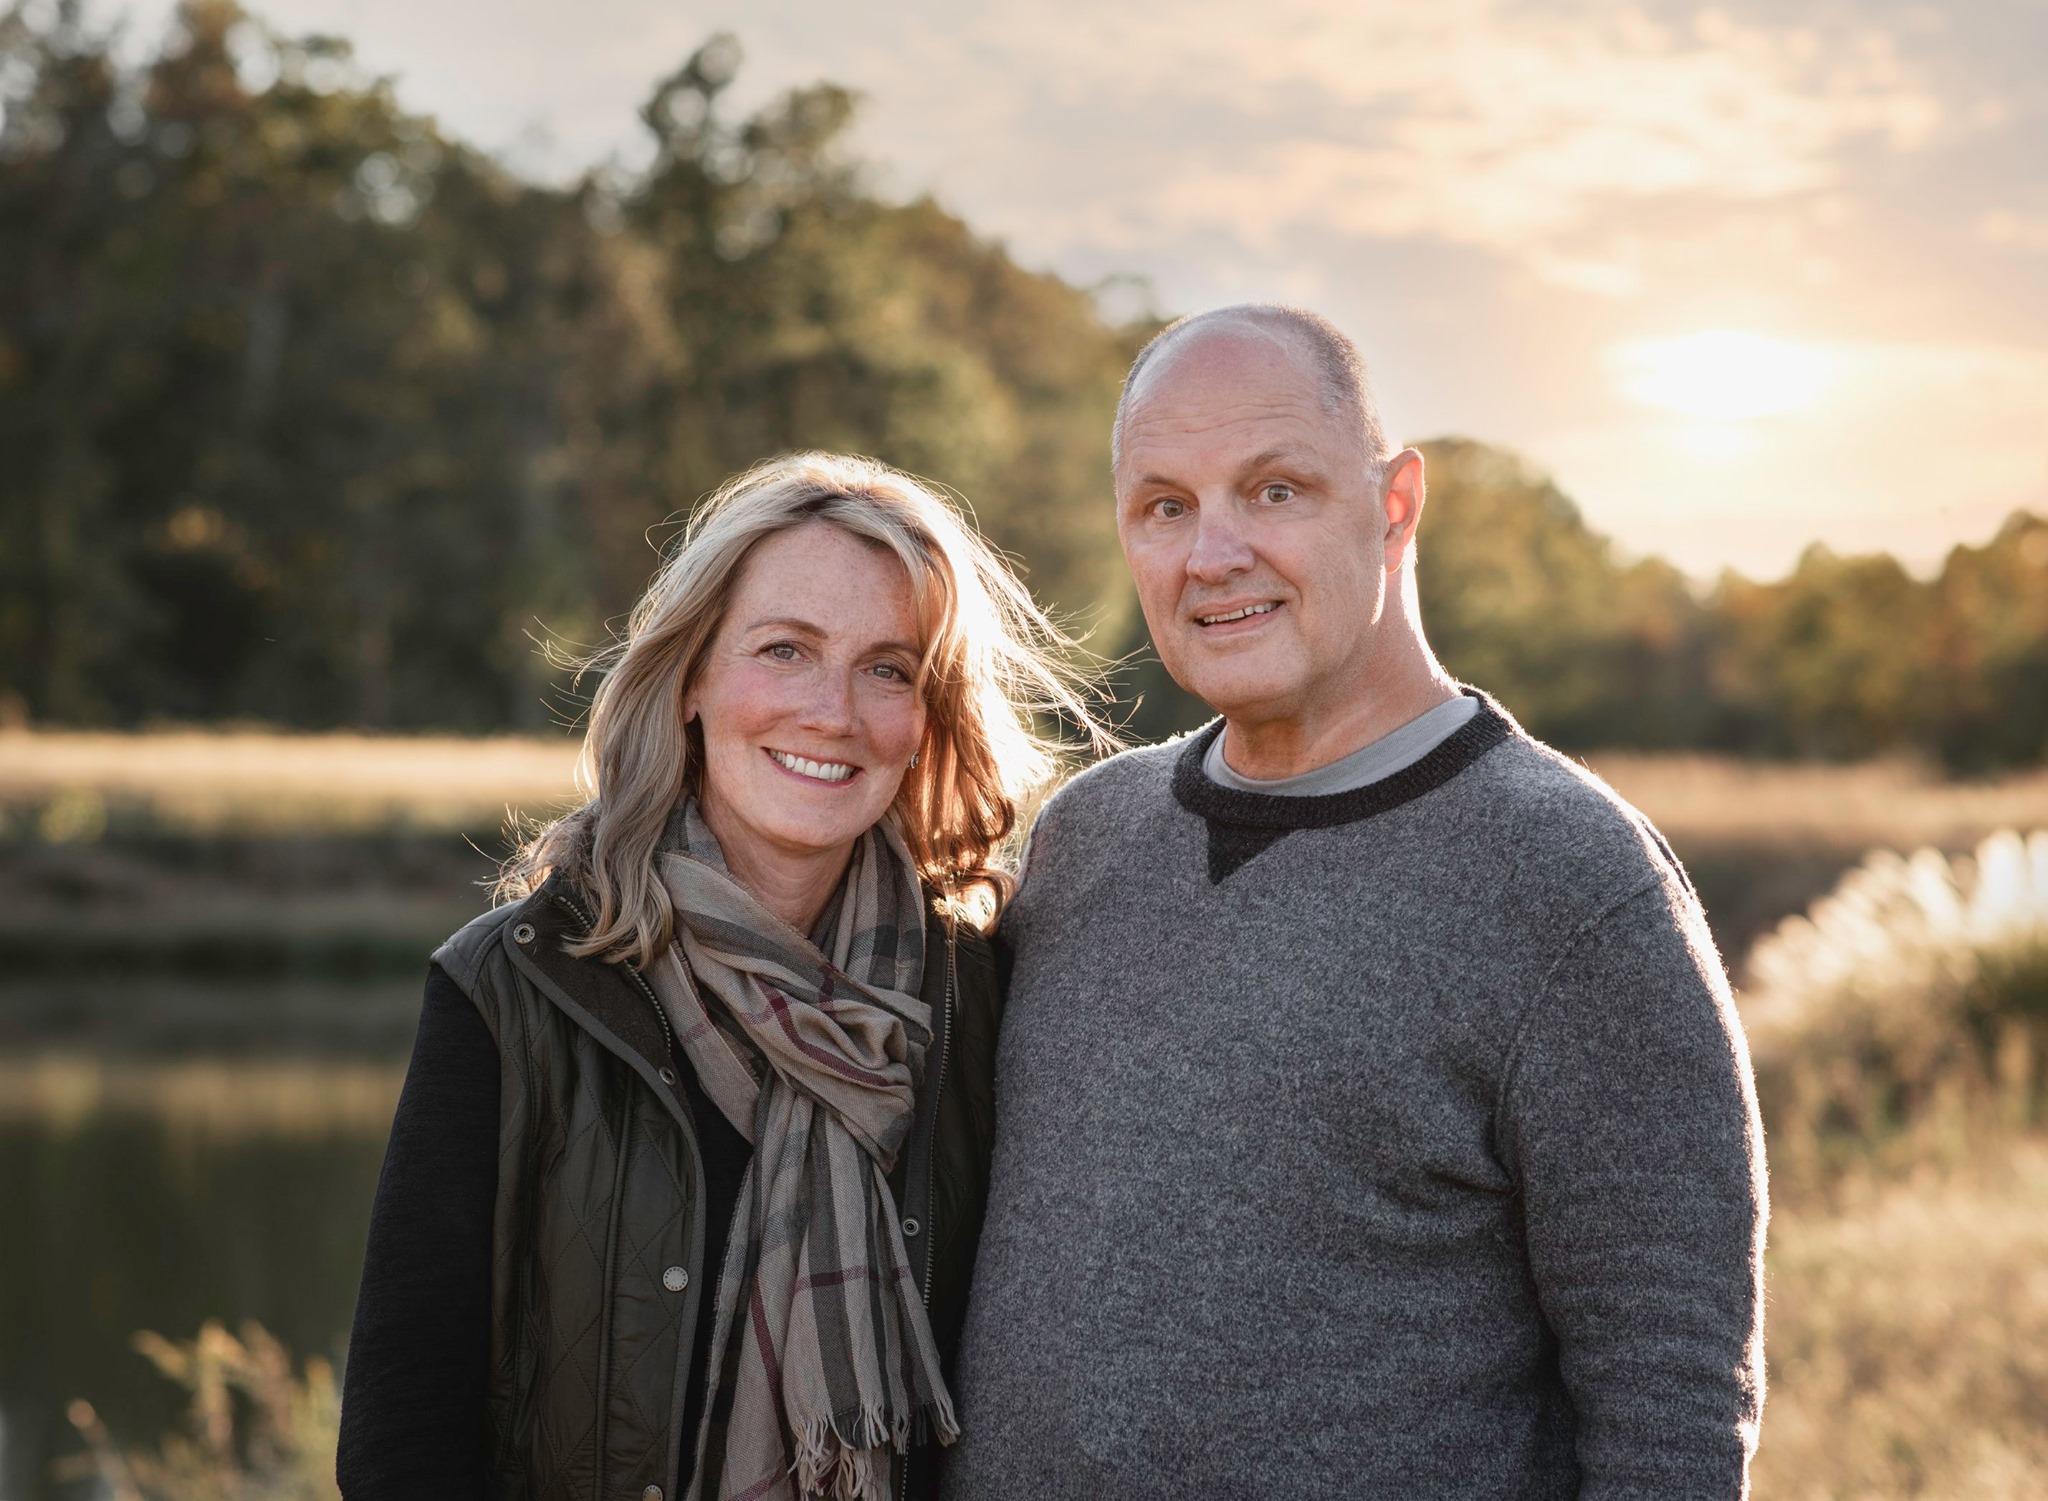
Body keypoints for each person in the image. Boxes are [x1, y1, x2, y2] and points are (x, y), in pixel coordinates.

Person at [944, 306, 1768, 1499]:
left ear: (1394, 505)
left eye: (1272, 490)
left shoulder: (1574, 888)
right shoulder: (1087, 839)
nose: (1210, 553)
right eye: (1163, 505)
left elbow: (1670, 1413)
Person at [338, 453, 1102, 1501]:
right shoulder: (516, 984)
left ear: (930, 714)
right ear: (692, 676)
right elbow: (402, 1440)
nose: (831, 711)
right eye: (784, 650)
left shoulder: (982, 993)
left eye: (888, 667)